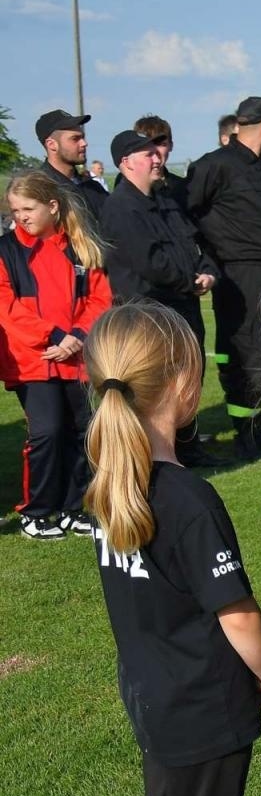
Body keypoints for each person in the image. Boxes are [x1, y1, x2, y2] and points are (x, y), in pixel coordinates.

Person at [82, 302, 261, 796]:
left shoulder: (115, 487)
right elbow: (239, 615)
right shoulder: (185, 498)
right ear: (180, 385)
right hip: (202, 706)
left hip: (152, 697)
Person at [187, 95, 261, 459]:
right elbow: (187, 213)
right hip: (241, 273)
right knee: (245, 350)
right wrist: (206, 259)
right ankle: (247, 431)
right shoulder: (215, 166)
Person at [1, 171, 113, 539]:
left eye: (28, 208)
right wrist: (54, 335)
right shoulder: (6, 251)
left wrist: (78, 336)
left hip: (75, 357)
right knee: (48, 432)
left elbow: (99, 298)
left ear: (53, 206)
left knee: (82, 431)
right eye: (15, 210)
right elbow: (7, 308)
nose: (21, 217)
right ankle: (36, 512)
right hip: (33, 359)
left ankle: (71, 507)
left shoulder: (80, 247)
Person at [99, 130, 219, 467]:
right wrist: (190, 281)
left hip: (182, 307)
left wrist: (207, 270)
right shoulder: (121, 208)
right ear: (125, 163)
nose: (157, 159)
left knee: (186, 377)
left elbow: (195, 243)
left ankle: (187, 448)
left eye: (157, 152)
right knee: (157, 383)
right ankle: (158, 453)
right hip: (151, 311)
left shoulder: (166, 201)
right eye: (147, 154)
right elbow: (149, 262)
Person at [35, 109, 109, 218]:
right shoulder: (38, 189)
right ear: (52, 145)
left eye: (83, 137)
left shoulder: (93, 188)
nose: (84, 143)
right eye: (75, 139)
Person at [134, 114, 188, 207]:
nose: (155, 151)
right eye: (148, 145)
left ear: (171, 146)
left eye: (161, 144)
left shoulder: (182, 187)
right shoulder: (128, 184)